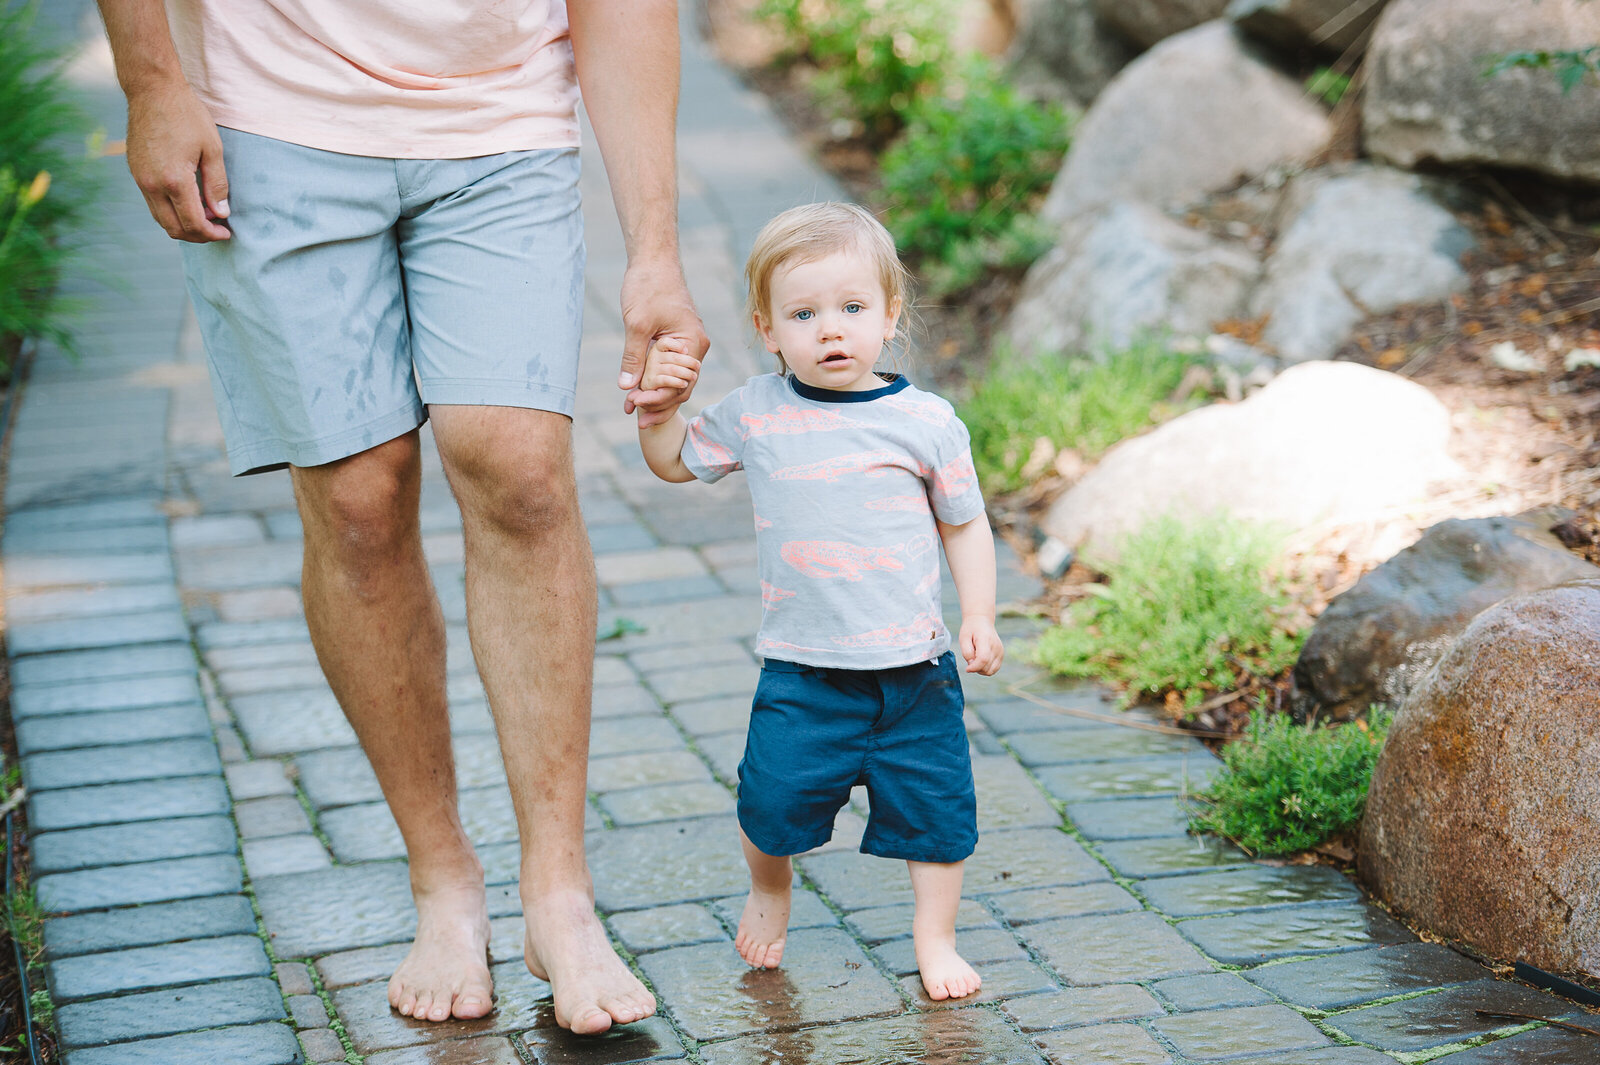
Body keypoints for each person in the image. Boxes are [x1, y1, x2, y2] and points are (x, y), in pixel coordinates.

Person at [93, 0, 708, 1034]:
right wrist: (152, 83)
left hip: (500, 117)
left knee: (521, 473)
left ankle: (558, 894)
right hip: (266, 114)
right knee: (357, 499)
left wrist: (655, 247)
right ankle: (442, 879)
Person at [637, 202, 1003, 1001]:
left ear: (890, 314)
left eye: (851, 308)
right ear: (768, 329)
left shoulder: (924, 422)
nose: (830, 330)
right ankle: (771, 888)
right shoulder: (757, 414)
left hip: (914, 673)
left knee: (939, 815)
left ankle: (934, 936)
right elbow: (671, 463)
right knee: (769, 802)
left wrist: (978, 613)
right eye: (804, 314)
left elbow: (965, 523)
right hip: (805, 673)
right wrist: (658, 413)